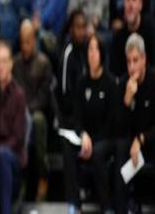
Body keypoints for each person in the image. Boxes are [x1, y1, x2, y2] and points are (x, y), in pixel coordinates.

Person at [63, 35, 116, 213]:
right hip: (86, 138)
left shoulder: (110, 83)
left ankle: (106, 206)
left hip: (104, 138)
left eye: (96, 49)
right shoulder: (82, 83)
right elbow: (77, 117)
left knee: (99, 152)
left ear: (102, 53)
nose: (92, 54)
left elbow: (111, 122)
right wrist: (83, 134)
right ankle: (74, 203)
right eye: (90, 50)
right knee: (67, 147)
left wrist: (92, 141)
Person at [0, 42, 27, 214]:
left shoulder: (19, 95)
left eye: (4, 61)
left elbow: (18, 137)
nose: (0, 66)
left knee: (5, 156)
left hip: (13, 160)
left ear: (11, 64)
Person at [13, 20, 53, 201]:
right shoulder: (15, 63)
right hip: (19, 113)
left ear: (34, 40)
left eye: (28, 42)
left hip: (37, 112)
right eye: (22, 42)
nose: (25, 46)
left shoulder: (44, 63)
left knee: (36, 120)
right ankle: (19, 179)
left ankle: (43, 175)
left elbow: (45, 98)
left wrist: (26, 110)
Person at [115, 33, 155, 213]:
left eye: (135, 60)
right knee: (120, 146)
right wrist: (126, 101)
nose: (132, 67)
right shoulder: (124, 83)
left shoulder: (153, 80)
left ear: (144, 59)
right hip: (130, 143)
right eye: (128, 61)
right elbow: (118, 127)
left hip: (149, 140)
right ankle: (122, 208)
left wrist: (141, 139)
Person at [110, 0, 155, 78]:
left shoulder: (151, 31)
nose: (130, 5)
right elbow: (114, 74)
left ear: (140, 4)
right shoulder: (118, 37)